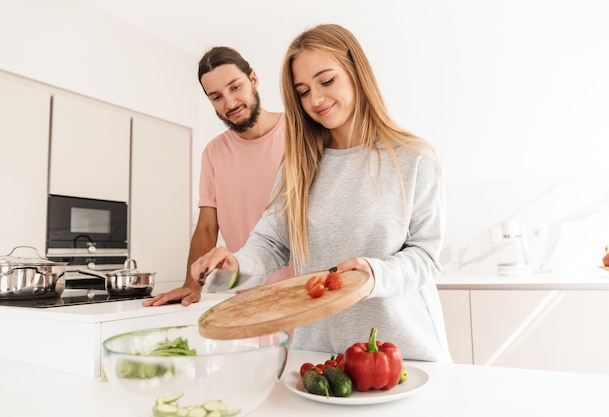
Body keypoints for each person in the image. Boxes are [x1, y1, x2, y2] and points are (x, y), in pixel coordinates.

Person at [190, 24, 451, 362]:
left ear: (355, 72)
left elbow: (425, 256)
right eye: (302, 91)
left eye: (326, 81)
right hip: (318, 356)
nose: (315, 99)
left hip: (400, 353)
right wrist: (234, 264)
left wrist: (372, 275)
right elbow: (271, 244)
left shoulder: (414, 158)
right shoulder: (298, 166)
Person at [143, 46, 292, 307]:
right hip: (250, 297)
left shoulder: (299, 132)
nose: (230, 103)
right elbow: (207, 227)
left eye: (235, 87)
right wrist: (191, 286)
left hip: (307, 289)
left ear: (253, 79)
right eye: (217, 97)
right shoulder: (214, 152)